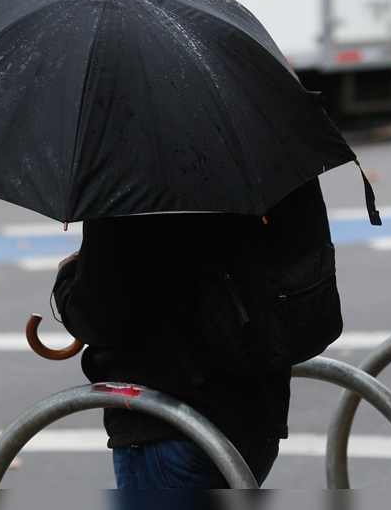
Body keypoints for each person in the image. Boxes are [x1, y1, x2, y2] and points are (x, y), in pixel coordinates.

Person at [52, 178, 333, 489]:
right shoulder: (267, 147)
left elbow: (99, 317)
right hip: (259, 410)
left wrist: (68, 278)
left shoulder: (126, 169)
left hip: (172, 418)